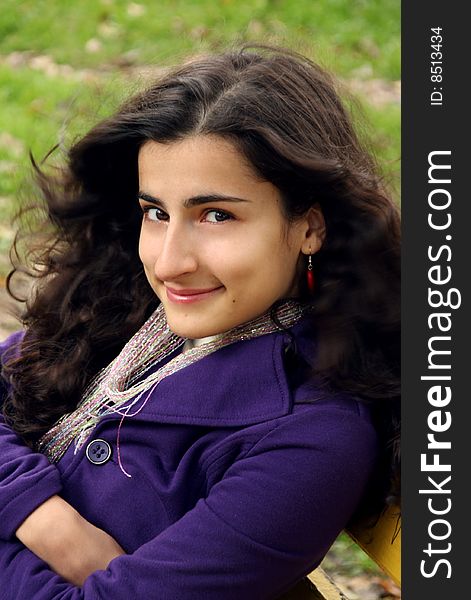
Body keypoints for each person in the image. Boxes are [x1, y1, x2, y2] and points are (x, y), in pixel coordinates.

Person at [0, 44, 400, 599]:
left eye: (217, 215)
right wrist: (44, 519)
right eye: (156, 213)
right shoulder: (123, 306)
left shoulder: (312, 440)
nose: (168, 263)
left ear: (311, 226)